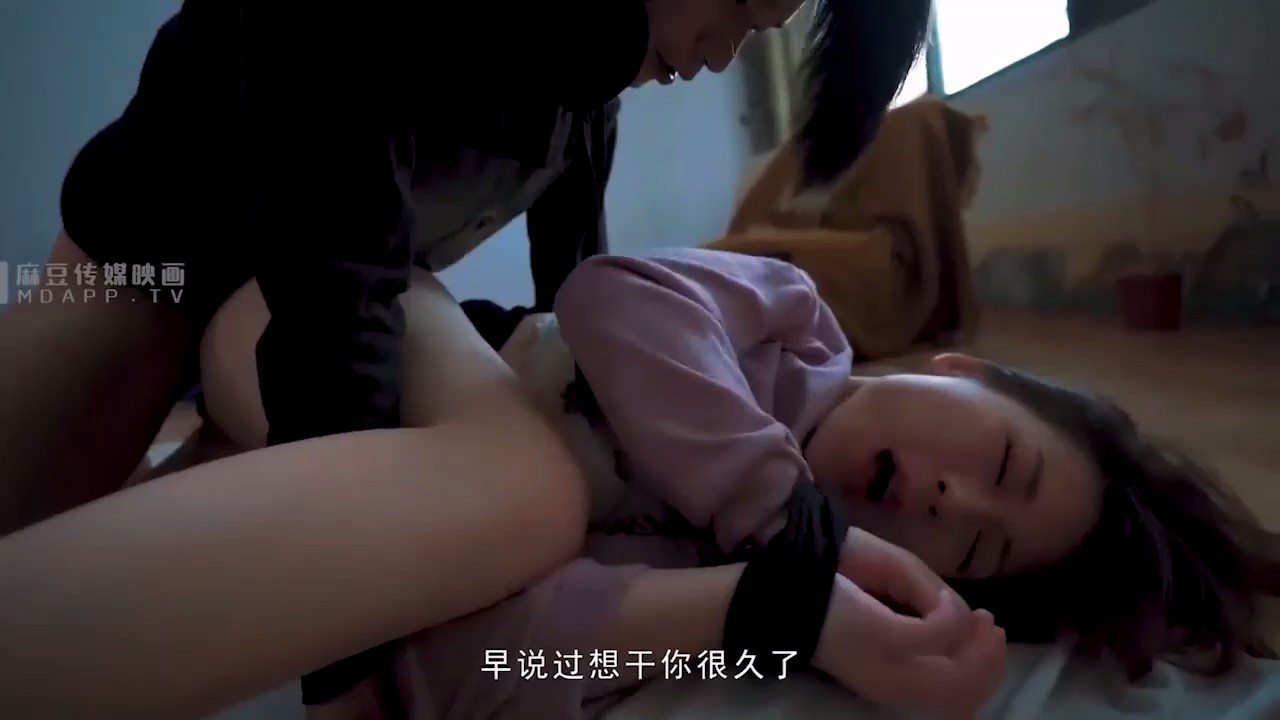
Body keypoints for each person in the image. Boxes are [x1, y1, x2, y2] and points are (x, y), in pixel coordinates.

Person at [0, 0, 933, 711]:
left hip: (293, 329)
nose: (721, 56)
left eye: (759, 33)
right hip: (153, 258)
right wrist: (346, 658)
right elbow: (346, 287)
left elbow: (569, 296)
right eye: (736, 7)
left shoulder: (588, 94)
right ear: (956, 376)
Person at [196, 248, 1278, 719]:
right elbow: (611, 297)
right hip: (341, 332)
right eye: (999, 462)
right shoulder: (789, 327)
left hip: (342, 507)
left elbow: (482, 670)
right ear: (962, 370)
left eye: (976, 547)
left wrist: (763, 611)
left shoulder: (747, 585)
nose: (956, 501)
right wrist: (780, 517)